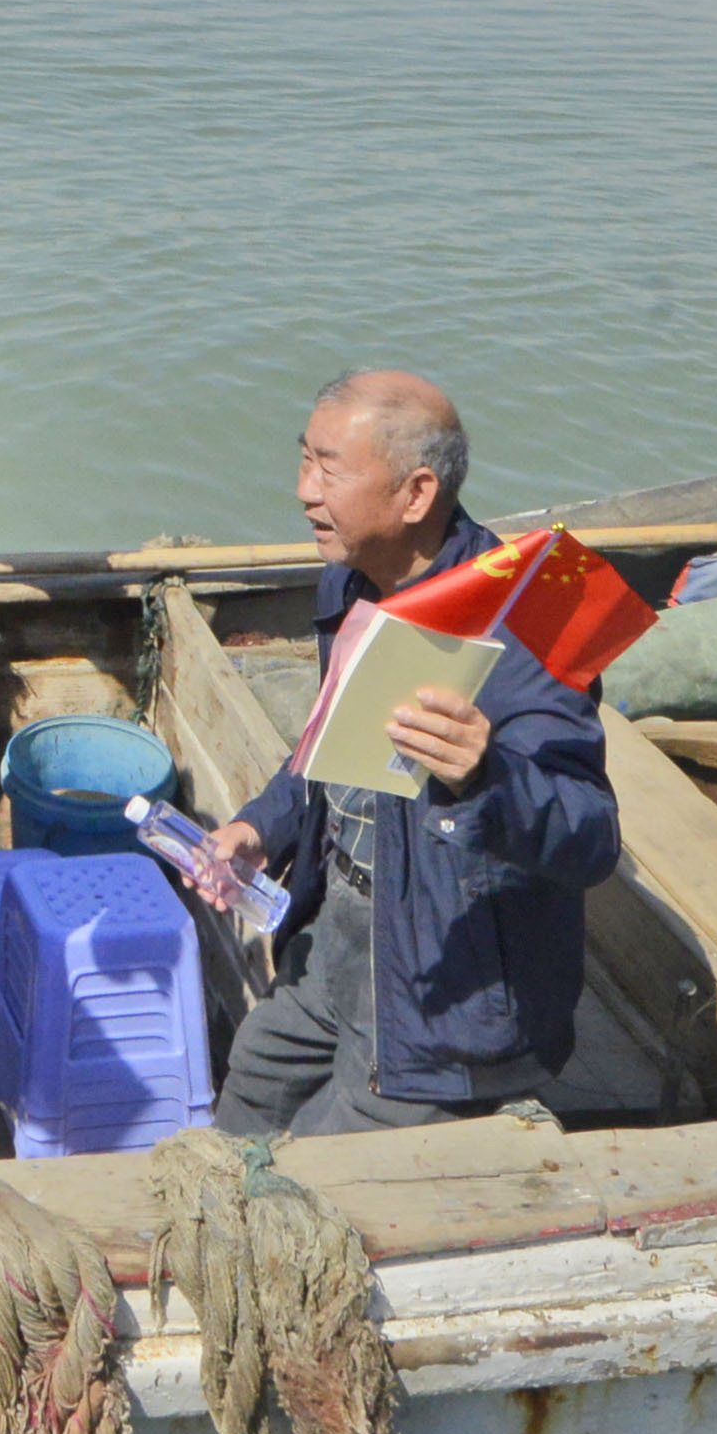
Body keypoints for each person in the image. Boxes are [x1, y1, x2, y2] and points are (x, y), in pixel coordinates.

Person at [200, 372, 620, 1139]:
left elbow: (591, 837)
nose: (303, 491)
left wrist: (488, 779)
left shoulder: (536, 615)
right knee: (254, 1081)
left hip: (448, 994)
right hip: (342, 936)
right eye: (303, 460)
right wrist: (261, 827)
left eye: (329, 468)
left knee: (314, 1179)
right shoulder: (352, 581)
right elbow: (327, 746)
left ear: (416, 494)